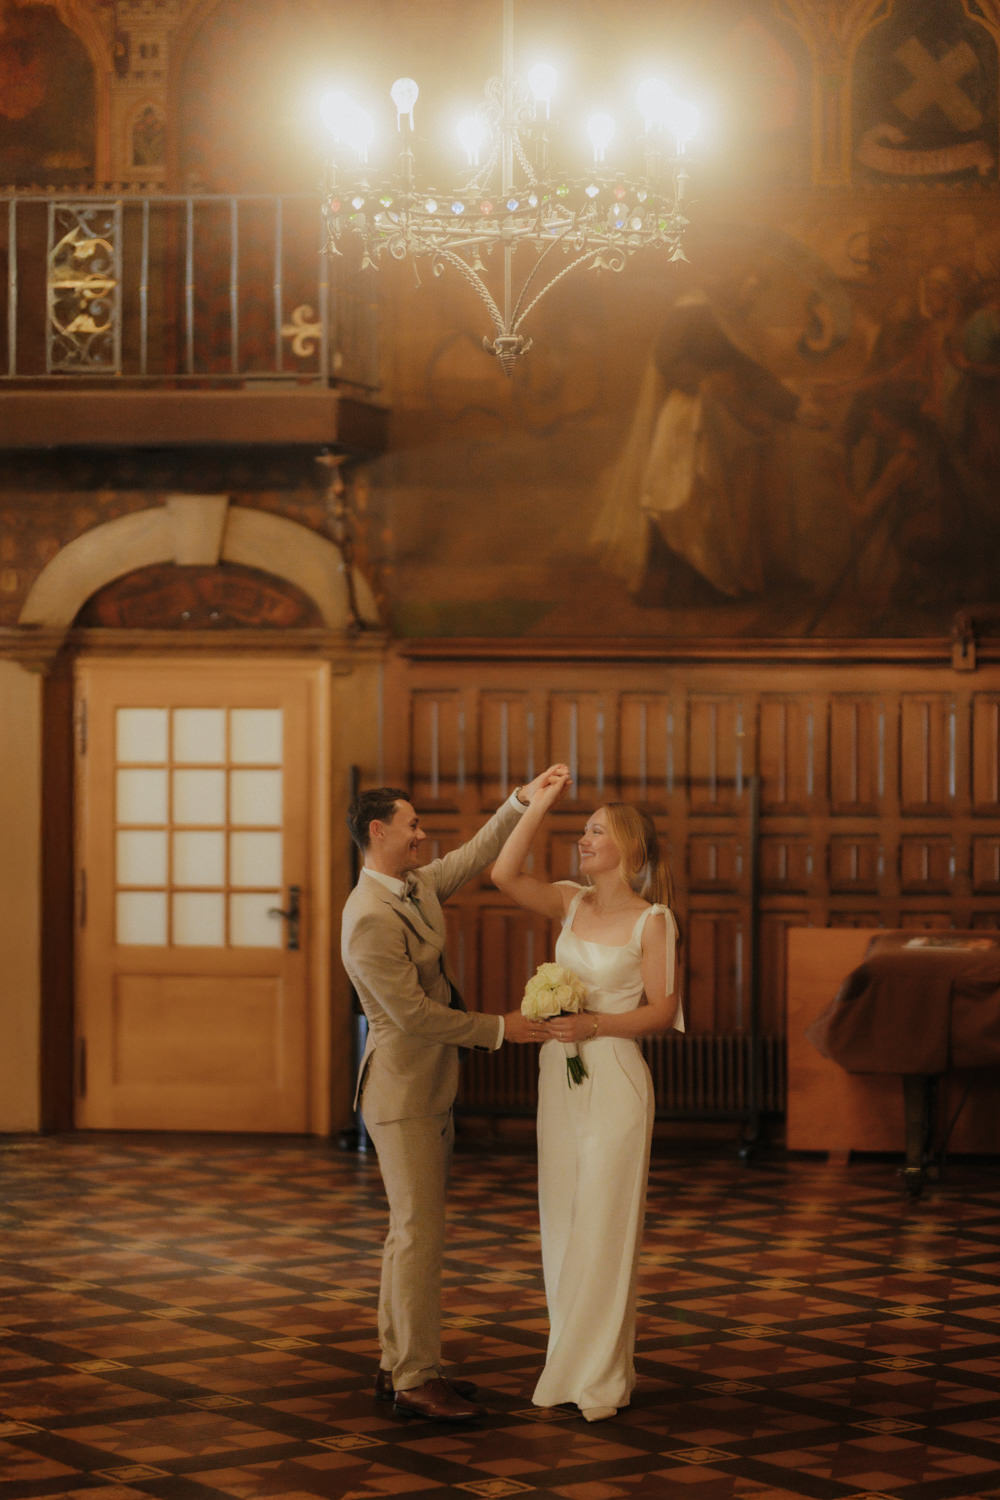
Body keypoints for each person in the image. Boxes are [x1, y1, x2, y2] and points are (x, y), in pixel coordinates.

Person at [341, 770, 562, 1423]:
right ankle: (413, 1379)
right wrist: (502, 1029)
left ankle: (405, 1364)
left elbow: (471, 856)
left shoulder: (412, 885)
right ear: (379, 832)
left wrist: (521, 800)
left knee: (412, 1235)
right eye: (412, 825)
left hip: (429, 1084)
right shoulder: (369, 918)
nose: (422, 834)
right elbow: (411, 1015)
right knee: (417, 1235)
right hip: (402, 1092)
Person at [492, 775, 683, 1422]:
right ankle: (565, 1364)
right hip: (560, 1076)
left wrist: (595, 1024)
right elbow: (502, 872)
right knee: (563, 1222)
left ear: (628, 844)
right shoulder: (569, 903)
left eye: (597, 829)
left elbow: (664, 1012)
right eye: (583, 828)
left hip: (615, 1079)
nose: (584, 837)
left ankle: (600, 1376)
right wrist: (534, 804)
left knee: (605, 1225)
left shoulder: (654, 920)